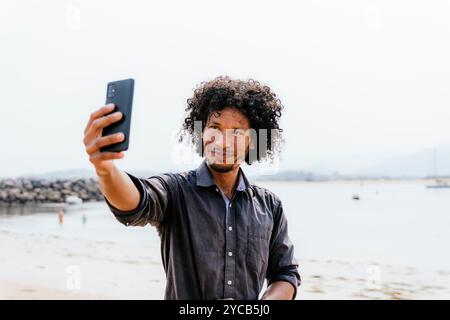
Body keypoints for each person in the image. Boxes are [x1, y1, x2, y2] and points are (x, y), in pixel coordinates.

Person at [82, 76, 300, 300]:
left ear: (252, 142)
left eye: (236, 132)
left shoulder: (270, 206)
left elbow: (285, 273)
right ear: (201, 133)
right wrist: (105, 169)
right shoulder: (176, 191)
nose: (223, 142)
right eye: (214, 128)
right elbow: (137, 202)